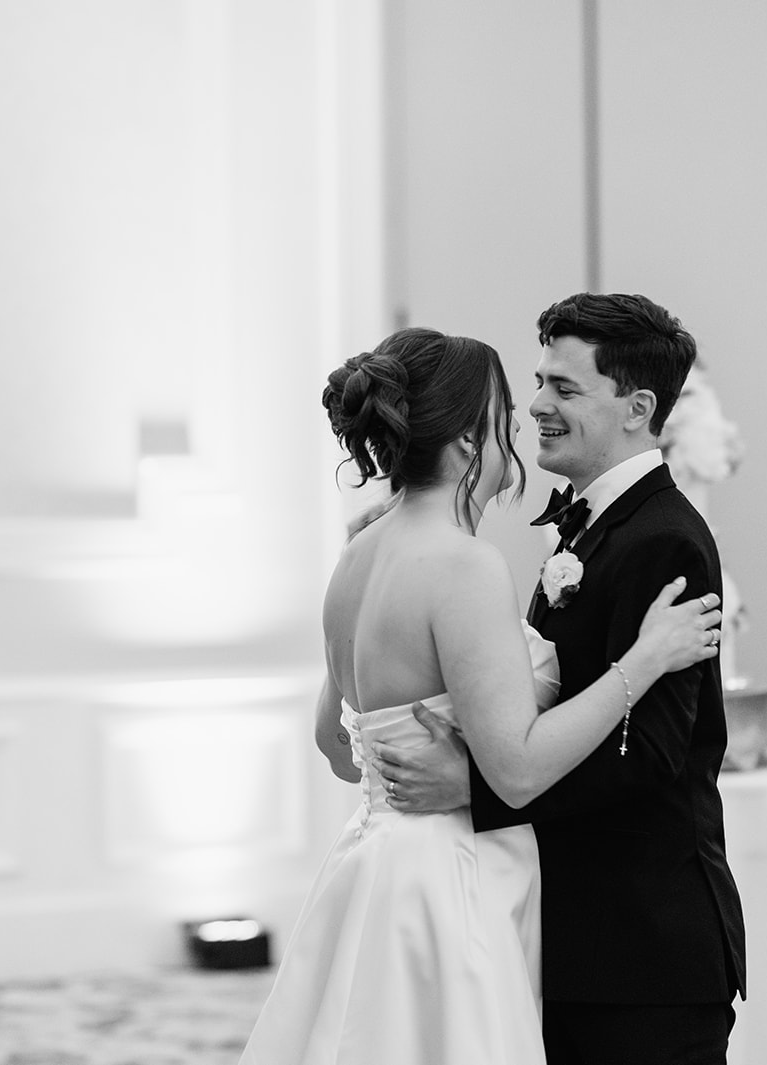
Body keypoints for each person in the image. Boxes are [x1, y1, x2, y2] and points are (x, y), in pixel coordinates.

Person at [241, 326, 724, 1064]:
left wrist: (412, 764)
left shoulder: (357, 554)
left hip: (372, 865)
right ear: (469, 439)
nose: (526, 418)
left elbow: (336, 744)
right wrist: (644, 659)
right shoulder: (466, 565)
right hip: (449, 883)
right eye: (508, 411)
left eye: (559, 387)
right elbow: (519, 769)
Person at [372, 293, 747, 1065]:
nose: (536, 403)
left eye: (564, 388)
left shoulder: (665, 539)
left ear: (638, 408)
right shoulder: (589, 522)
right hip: (578, 938)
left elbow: (650, 756)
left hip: (643, 951)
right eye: (541, 380)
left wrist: (475, 787)